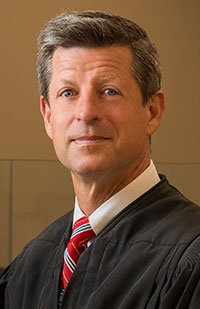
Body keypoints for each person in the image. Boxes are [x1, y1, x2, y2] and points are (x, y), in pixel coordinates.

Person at [0, 10, 200, 309]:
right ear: (48, 115)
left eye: (109, 91)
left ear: (152, 111)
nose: (86, 112)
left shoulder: (190, 256)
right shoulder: (30, 263)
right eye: (68, 92)